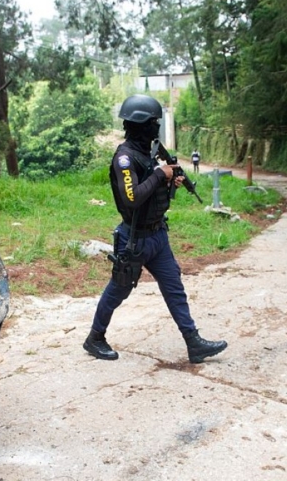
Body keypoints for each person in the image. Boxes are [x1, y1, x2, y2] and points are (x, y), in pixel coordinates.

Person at [83, 94, 228, 364]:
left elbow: (153, 197)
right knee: (119, 289)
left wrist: (169, 183)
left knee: (174, 287)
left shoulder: (147, 153)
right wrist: (161, 174)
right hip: (134, 240)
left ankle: (193, 341)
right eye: (153, 122)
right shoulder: (125, 159)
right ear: (141, 123)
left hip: (158, 236)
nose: (156, 127)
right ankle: (95, 338)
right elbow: (132, 198)